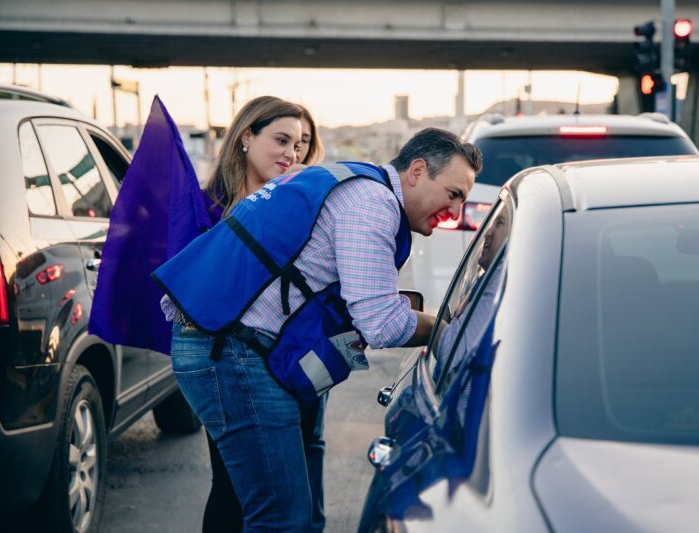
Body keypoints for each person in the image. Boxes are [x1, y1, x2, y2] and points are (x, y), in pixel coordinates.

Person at [156, 127, 482, 531]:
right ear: (417, 171)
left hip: (229, 345)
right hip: (234, 355)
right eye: (453, 194)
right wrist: (444, 328)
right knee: (282, 518)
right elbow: (381, 323)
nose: (455, 212)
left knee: (256, 507)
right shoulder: (373, 203)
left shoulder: (350, 180)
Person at [202, 101, 330, 533]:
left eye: (302, 144)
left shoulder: (303, 202)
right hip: (233, 360)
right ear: (246, 137)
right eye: (283, 140)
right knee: (232, 486)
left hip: (301, 361)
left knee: (304, 472)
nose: (293, 153)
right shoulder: (209, 207)